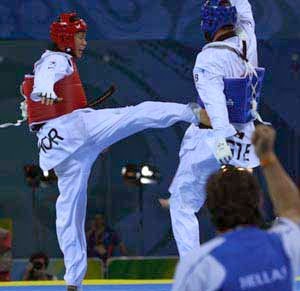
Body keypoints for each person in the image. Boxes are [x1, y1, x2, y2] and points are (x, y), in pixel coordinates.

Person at [20, 12, 204, 291]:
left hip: (61, 148)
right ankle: (191, 113)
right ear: (66, 38)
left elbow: (41, 87)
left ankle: (73, 280)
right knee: (136, 115)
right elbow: (48, 75)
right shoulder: (55, 60)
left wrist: (42, 94)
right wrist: (44, 89)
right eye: (80, 35)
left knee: (68, 213)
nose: (84, 41)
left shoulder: (48, 62)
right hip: (76, 130)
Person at [169, 0, 265, 257]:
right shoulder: (247, 41)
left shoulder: (208, 58)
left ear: (208, 24)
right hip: (247, 137)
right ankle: (253, 259)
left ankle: (192, 269)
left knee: (182, 204)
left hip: (213, 140)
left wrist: (223, 143)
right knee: (244, 207)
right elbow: (245, 11)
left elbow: (216, 108)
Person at [172, 125, 300, 291]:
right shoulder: (285, 245)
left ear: (210, 208)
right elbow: (292, 210)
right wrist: (267, 157)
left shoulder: (200, 266)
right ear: (259, 201)